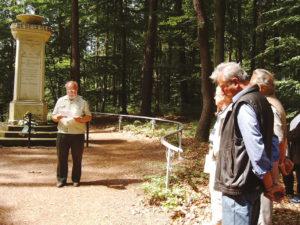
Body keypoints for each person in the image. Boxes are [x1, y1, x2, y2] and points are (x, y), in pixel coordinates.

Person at [210, 62, 285, 225]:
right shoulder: (263, 101)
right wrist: (271, 181)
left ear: (235, 82)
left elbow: (257, 151)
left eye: (223, 86)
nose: (222, 91)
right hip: (249, 186)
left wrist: (270, 185)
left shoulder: (244, 105)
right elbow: (272, 143)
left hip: (239, 189)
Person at [250, 69, 293, 225]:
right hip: (268, 159)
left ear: (261, 87)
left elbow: (278, 138)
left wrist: (278, 162)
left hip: (267, 161)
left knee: (264, 205)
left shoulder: (270, 105)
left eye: (252, 84)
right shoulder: (269, 102)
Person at [52, 81, 92, 188]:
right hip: (62, 133)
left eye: (73, 90)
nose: (71, 92)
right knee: (61, 158)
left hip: (77, 134)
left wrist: (81, 119)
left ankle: (76, 179)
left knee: (77, 158)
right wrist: (57, 117)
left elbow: (89, 116)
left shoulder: (82, 102)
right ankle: (61, 180)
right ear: (66, 90)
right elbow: (53, 116)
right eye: (69, 90)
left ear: (77, 89)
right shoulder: (60, 101)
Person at [204, 86, 232, 225]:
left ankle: (219, 220)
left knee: (218, 193)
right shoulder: (222, 113)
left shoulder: (228, 114)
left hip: (221, 161)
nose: (214, 97)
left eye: (217, 94)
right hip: (215, 159)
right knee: (214, 192)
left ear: (225, 95)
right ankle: (217, 219)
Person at [283, 113, 300, 203]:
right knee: (288, 171)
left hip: (297, 153)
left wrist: (286, 135)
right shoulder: (297, 118)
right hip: (294, 152)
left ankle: (295, 194)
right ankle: (289, 192)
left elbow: (294, 135)